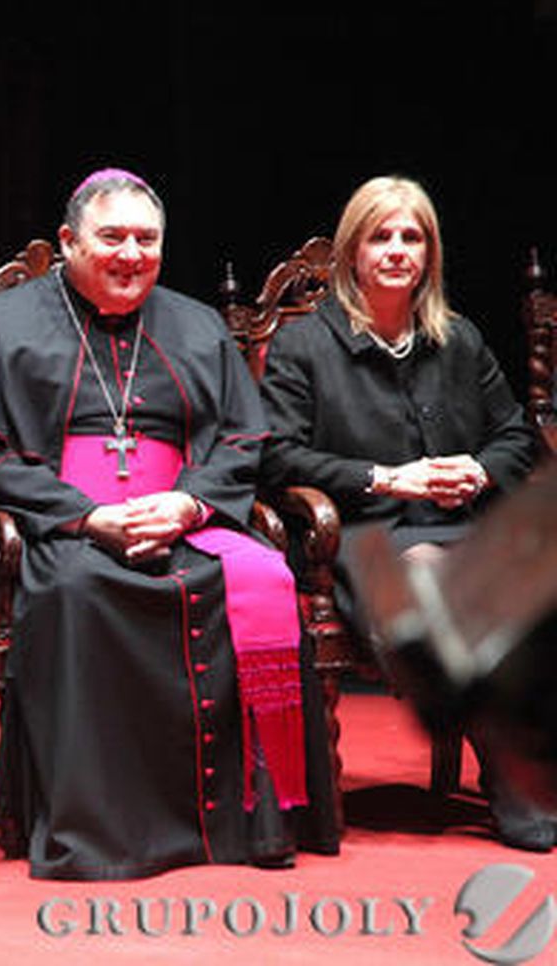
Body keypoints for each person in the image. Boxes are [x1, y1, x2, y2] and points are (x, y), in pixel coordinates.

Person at [0, 168, 338, 880]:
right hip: (56, 527)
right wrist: (86, 517)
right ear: (70, 241)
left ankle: (251, 823)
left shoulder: (197, 325)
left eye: (148, 239)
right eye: (112, 237)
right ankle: (104, 833)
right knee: (79, 592)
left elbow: (241, 440)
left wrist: (187, 504)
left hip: (182, 519)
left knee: (263, 577)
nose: (131, 254)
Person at [258, 175, 547, 850]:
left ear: (430, 253)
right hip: (360, 538)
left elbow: (514, 435)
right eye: (379, 236)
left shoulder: (459, 338)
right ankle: (517, 776)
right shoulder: (305, 346)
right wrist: (390, 479)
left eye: (411, 237)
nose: (396, 250)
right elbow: (277, 459)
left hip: (464, 527)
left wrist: (476, 470)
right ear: (352, 253)